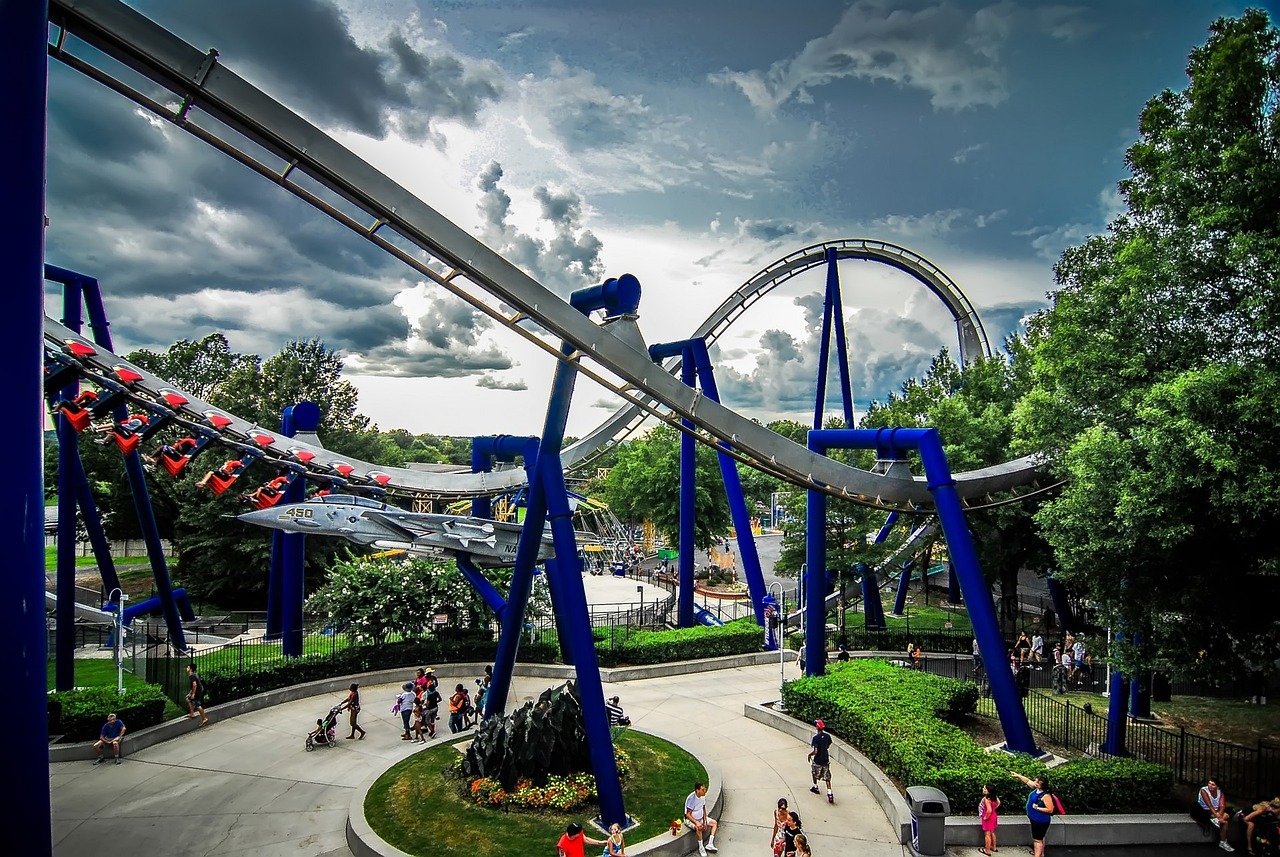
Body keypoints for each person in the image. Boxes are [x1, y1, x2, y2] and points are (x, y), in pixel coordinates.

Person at [1011, 770, 1055, 857]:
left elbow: (1050, 809)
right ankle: (1040, 853)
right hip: (1034, 818)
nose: (1034, 782)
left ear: (1041, 785)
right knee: (1040, 838)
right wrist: (1018, 775)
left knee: (1037, 840)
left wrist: (1037, 808)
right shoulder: (1037, 789)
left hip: (1040, 820)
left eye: (1037, 782)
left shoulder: (1046, 796)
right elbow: (1027, 781)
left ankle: (1037, 855)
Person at [1198, 776, 1235, 851]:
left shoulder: (1220, 792)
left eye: (1213, 785)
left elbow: (1222, 805)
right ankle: (1223, 841)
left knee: (1231, 811)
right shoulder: (1203, 790)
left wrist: (1220, 815)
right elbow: (1209, 805)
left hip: (1217, 811)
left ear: (1217, 787)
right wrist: (1216, 814)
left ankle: (1222, 842)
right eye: (1209, 783)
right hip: (1206, 809)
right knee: (1225, 822)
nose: (1210, 786)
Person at [684, 781, 719, 855]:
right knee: (699, 827)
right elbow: (688, 815)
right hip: (691, 820)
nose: (705, 791)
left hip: (700, 818)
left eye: (705, 789)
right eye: (703, 789)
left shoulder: (702, 797)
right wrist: (696, 822)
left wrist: (705, 821)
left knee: (714, 823)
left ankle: (710, 844)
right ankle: (701, 847)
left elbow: (703, 809)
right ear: (697, 790)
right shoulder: (692, 799)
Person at [808, 719, 834, 803]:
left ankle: (815, 787)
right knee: (827, 777)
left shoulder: (816, 738)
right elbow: (828, 745)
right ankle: (830, 793)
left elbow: (816, 751)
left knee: (814, 772)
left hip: (818, 760)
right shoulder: (827, 736)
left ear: (817, 727)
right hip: (825, 759)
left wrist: (810, 755)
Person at [979, 782, 1001, 855]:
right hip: (994, 816)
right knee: (992, 832)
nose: (983, 789)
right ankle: (994, 847)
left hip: (989, 817)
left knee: (987, 834)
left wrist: (986, 817)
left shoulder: (987, 799)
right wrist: (994, 807)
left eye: (985, 788)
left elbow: (989, 810)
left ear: (988, 791)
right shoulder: (994, 797)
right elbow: (998, 803)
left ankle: (987, 850)